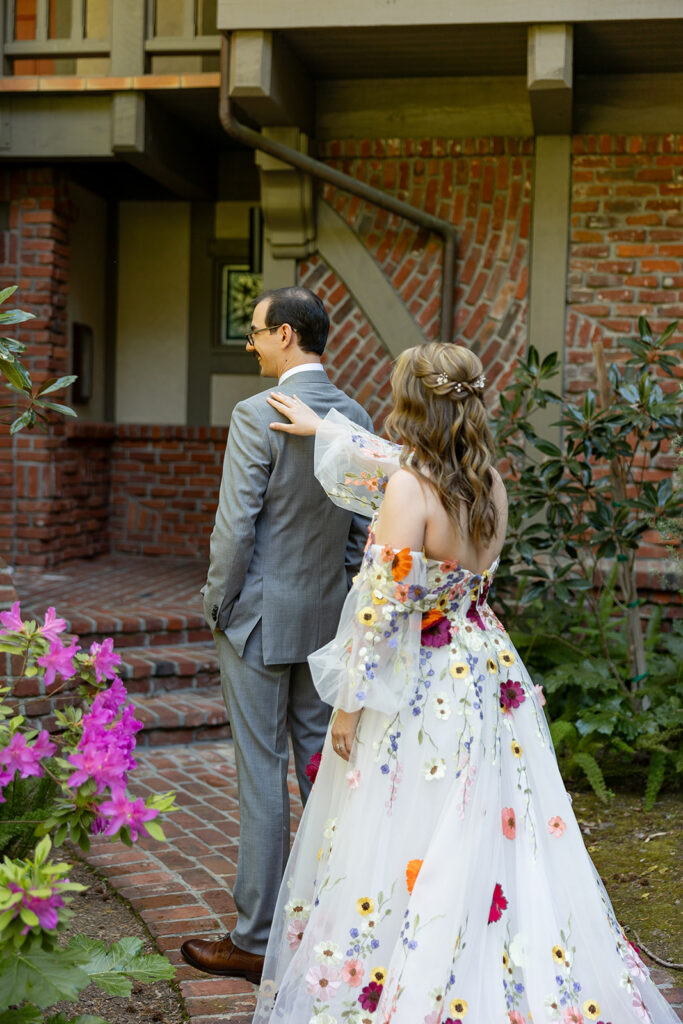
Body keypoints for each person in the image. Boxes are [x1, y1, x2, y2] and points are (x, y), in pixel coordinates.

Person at [251, 342, 678, 1024]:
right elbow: (399, 471)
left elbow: (379, 609)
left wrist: (347, 704)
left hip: (421, 679)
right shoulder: (488, 485)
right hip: (485, 668)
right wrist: (327, 431)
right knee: (495, 825)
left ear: (409, 405)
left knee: (410, 827)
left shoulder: (407, 489)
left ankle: (414, 984)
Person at [180, 286, 374, 983]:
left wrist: (216, 606)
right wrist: (335, 597)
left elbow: (234, 528)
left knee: (261, 775)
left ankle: (258, 937)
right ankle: (329, 919)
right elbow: (360, 529)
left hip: (258, 621)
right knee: (323, 776)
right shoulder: (354, 416)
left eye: (257, 332)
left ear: (286, 335)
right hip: (324, 623)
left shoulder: (255, 414)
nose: (251, 344)